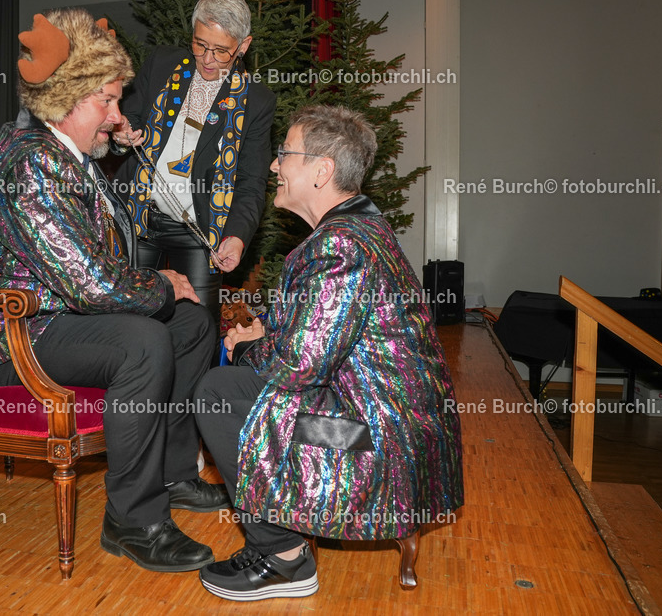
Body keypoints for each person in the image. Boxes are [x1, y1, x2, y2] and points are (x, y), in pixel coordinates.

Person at [0, 8, 227, 572]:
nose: (117, 113)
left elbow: (102, 229)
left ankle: (171, 475)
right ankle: (133, 518)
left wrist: (116, 138)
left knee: (194, 326)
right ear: (65, 99)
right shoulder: (29, 164)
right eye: (107, 101)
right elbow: (94, 283)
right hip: (12, 334)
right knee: (142, 340)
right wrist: (164, 284)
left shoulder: (60, 150)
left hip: (55, 318)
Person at [193, 105, 464, 601]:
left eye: (284, 156)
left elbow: (301, 366)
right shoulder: (355, 232)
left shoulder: (341, 247)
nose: (274, 166)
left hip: (370, 443)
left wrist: (248, 349)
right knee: (238, 388)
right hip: (380, 426)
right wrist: (259, 339)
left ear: (322, 171)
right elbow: (316, 340)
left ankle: (284, 559)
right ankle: (288, 536)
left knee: (220, 392)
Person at [112, 0, 276, 325]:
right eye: (200, 44)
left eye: (221, 51)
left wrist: (237, 235)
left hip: (200, 230)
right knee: (128, 320)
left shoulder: (257, 101)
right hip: (139, 215)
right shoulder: (162, 63)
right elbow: (129, 115)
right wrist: (123, 131)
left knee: (197, 327)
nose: (207, 58)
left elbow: (251, 181)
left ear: (243, 46)